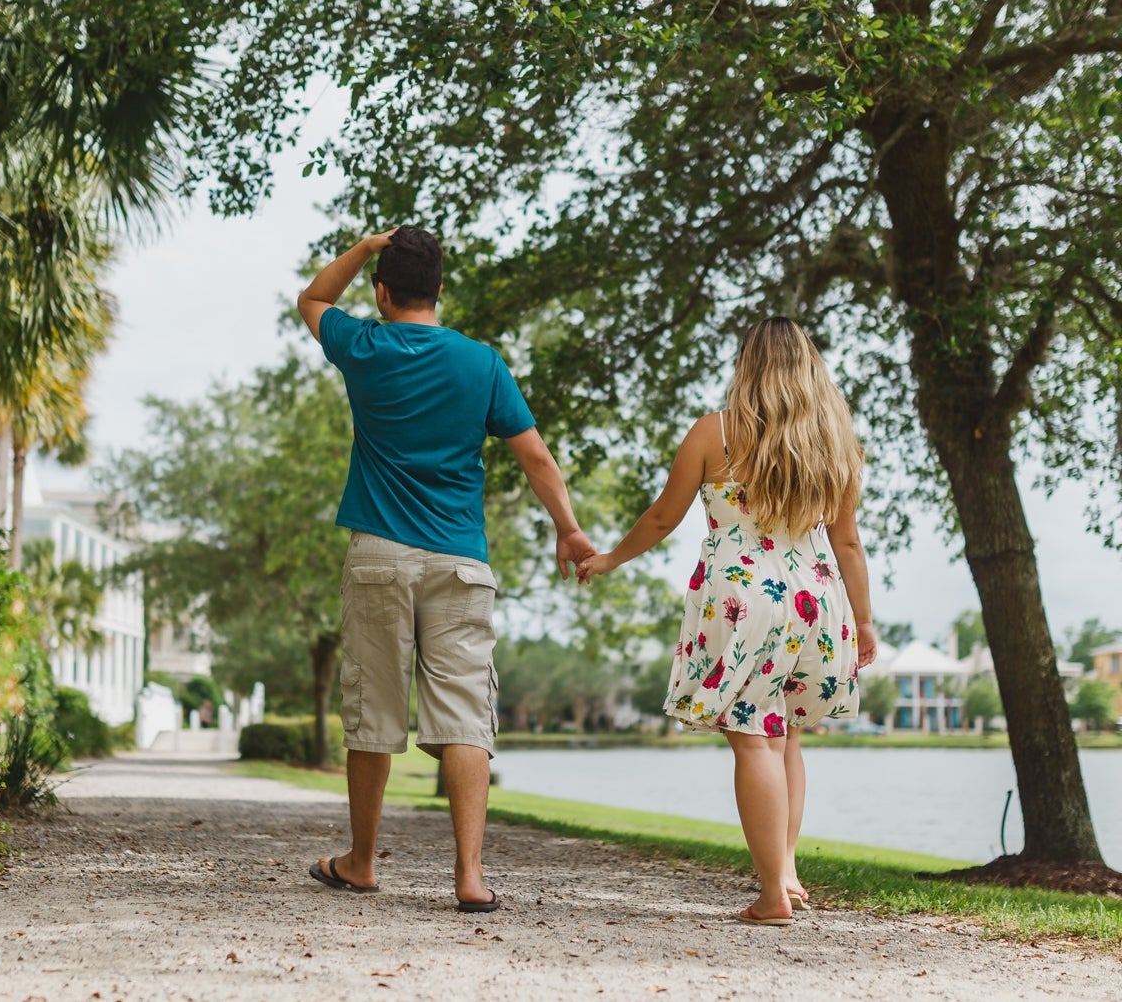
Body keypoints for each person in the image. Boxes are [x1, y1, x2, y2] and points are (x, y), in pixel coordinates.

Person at [297, 226, 594, 914]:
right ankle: (469, 874)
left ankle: (363, 862)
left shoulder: (363, 347)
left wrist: (366, 246)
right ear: (439, 290)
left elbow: (312, 298)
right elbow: (539, 458)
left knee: (373, 712)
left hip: (378, 556)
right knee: (465, 717)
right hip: (461, 560)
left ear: (382, 293)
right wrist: (569, 528)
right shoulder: (480, 363)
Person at [576, 316, 877, 926]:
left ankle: (772, 895)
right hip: (816, 603)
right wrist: (865, 622)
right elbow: (848, 543)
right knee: (786, 734)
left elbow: (663, 518)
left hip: (746, 603)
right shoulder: (836, 442)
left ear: (748, 364)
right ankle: (786, 874)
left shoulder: (716, 433)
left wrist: (609, 557)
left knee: (752, 738)